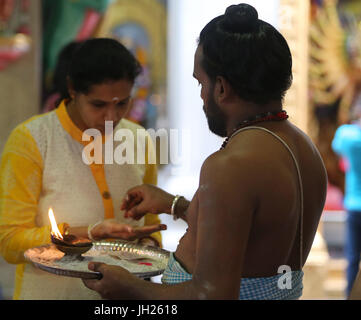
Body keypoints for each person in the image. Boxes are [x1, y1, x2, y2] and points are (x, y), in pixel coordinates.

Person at [83, 4, 328, 300]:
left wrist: (127, 286)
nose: (201, 95)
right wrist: (175, 205)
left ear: (221, 87)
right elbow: (247, 230)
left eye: (201, 82)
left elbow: (211, 296)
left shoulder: (230, 165)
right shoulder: (305, 150)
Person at [0, 38, 166, 300]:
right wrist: (85, 233)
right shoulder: (32, 140)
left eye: (122, 103)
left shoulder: (139, 139)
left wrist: (147, 246)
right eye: (99, 105)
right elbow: (10, 243)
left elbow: (151, 227)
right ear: (73, 90)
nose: (112, 117)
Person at [332, 102, 361, 298]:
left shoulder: (347, 135)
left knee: (352, 258)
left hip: (353, 204)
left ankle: (350, 295)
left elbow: (337, 148)